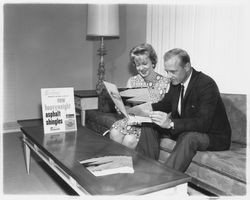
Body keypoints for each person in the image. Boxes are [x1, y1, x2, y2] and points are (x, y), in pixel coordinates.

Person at [132, 48, 231, 172]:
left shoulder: (206, 84)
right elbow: (165, 104)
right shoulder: (177, 82)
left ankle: (165, 181)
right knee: (149, 124)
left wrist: (171, 123)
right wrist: (142, 109)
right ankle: (144, 170)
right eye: (167, 71)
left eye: (173, 71)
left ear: (187, 67)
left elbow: (203, 123)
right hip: (186, 129)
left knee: (189, 137)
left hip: (213, 135)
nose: (168, 76)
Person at [109, 43, 170, 150]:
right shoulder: (132, 81)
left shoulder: (165, 83)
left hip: (151, 125)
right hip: (132, 120)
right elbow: (127, 110)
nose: (141, 68)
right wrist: (121, 107)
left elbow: (168, 111)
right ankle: (116, 164)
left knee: (130, 140)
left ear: (153, 62)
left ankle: (125, 165)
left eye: (144, 63)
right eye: (138, 65)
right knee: (114, 132)